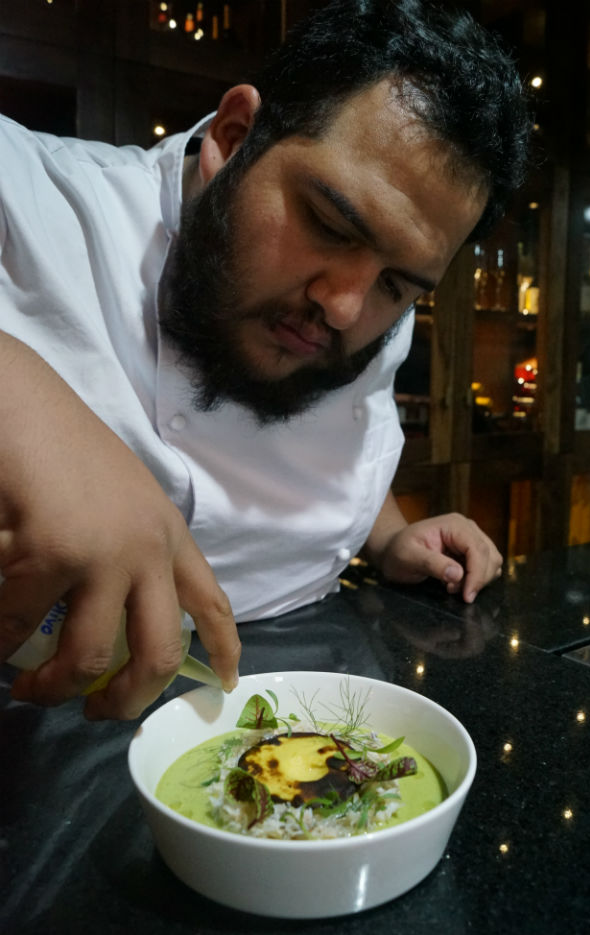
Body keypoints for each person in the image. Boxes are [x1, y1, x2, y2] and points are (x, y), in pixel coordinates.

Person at [0, 0, 530, 720]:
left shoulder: (369, 311)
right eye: (330, 225)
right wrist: (29, 405)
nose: (345, 308)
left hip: (301, 675)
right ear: (234, 137)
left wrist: (387, 536)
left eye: (398, 284)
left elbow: (340, 432)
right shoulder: (36, 193)